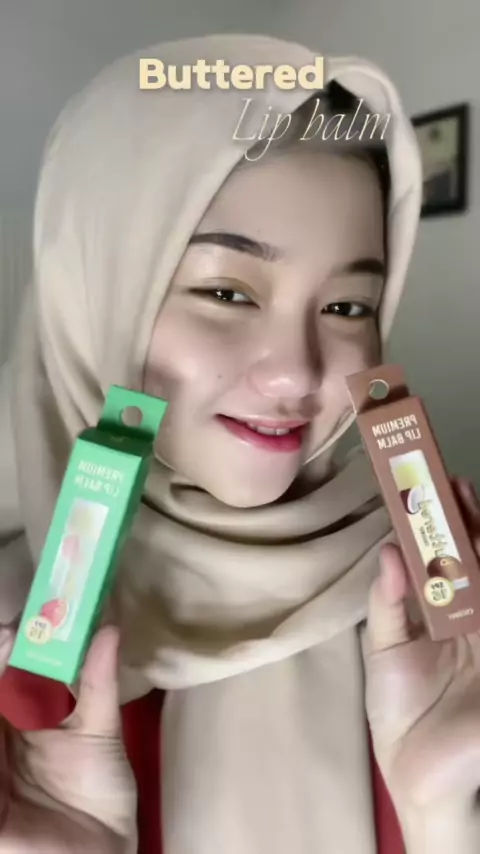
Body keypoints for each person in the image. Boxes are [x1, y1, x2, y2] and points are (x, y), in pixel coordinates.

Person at [0, 32, 479, 854]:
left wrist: (446, 819)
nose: (298, 372)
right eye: (226, 292)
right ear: (90, 290)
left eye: (348, 307)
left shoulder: (438, 616)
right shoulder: (19, 651)